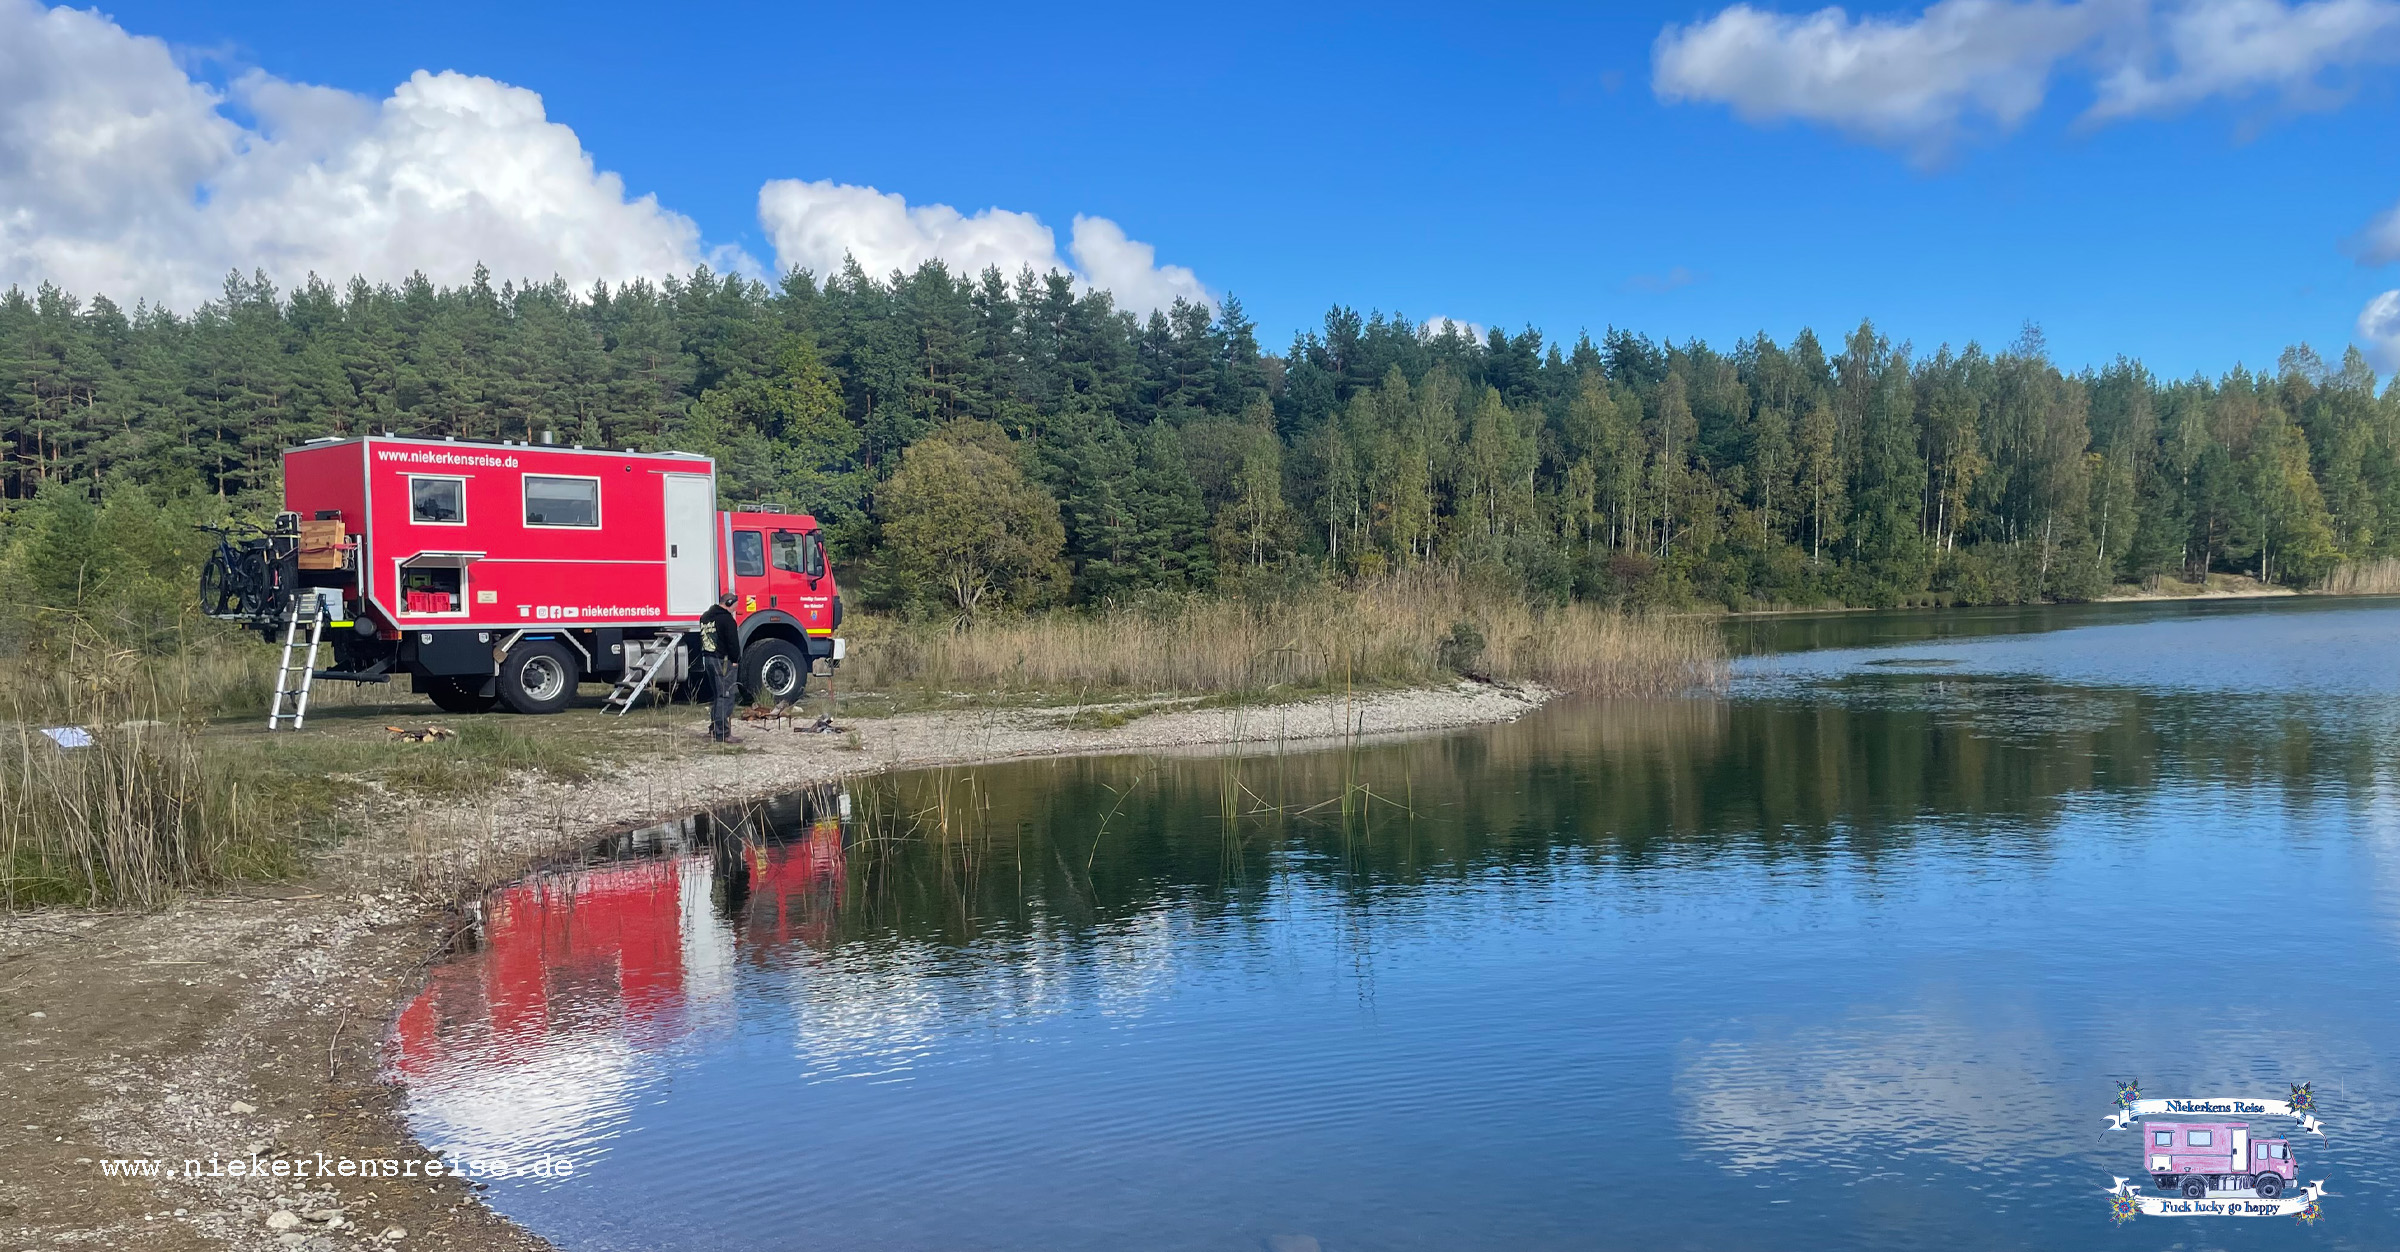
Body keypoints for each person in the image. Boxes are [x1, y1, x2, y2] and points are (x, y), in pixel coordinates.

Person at [697, 595, 741, 743]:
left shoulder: (705, 617)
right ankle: (722, 733)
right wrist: (735, 660)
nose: (736, 608)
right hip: (722, 661)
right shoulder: (727, 620)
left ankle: (713, 729)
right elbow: (733, 643)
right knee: (725, 695)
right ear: (729, 603)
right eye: (735, 605)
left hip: (708, 658)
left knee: (717, 695)